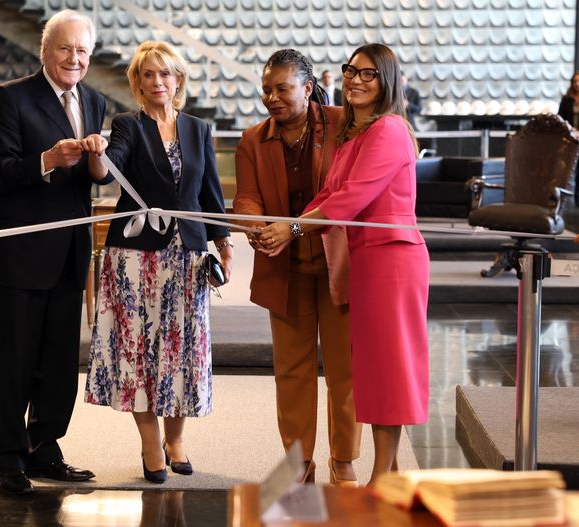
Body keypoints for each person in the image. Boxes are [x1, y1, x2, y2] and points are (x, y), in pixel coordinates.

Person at [261, 43, 430, 485]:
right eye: (350, 71)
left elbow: (350, 201)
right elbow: (329, 196)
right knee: (373, 370)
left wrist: (294, 229)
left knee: (388, 370)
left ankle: (380, 477)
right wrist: (286, 226)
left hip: (392, 258)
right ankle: (386, 473)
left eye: (367, 74)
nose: (355, 79)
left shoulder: (390, 129)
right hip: (367, 260)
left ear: (387, 81)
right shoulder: (358, 133)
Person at [0, 9, 111, 495]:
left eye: (82, 51)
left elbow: (98, 179)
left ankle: (45, 448)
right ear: (45, 51)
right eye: (65, 48)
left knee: (57, 363)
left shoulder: (93, 100)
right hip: (20, 252)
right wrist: (47, 160)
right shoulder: (10, 98)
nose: (74, 58)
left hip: (70, 253)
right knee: (16, 359)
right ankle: (7, 458)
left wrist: (98, 161)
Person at [82, 40, 232, 484]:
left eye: (164, 73)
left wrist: (221, 240)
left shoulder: (198, 129)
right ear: (137, 82)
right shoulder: (128, 125)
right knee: (139, 354)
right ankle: (151, 446)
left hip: (187, 254)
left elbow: (209, 193)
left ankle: (177, 440)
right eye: (147, 75)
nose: (157, 82)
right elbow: (107, 173)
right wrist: (96, 152)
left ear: (178, 79)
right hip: (134, 257)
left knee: (183, 350)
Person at [234, 49, 360, 486]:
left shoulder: (345, 123)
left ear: (307, 88)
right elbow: (247, 196)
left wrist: (290, 226)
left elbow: (347, 192)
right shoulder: (252, 139)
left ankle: (343, 459)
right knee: (291, 372)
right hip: (283, 268)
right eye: (267, 89)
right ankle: (298, 463)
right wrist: (252, 224)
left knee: (344, 369)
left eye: (282, 88)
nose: (272, 97)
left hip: (337, 263)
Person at [558, 72, 579, 204]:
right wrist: (571, 129)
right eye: (575, 81)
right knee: (568, 166)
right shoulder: (566, 100)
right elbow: (561, 118)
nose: (577, 84)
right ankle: (562, 197)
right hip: (571, 136)